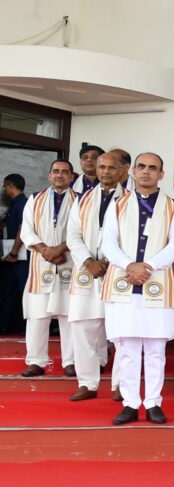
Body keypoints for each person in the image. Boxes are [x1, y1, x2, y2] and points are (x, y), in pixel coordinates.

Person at [100, 153, 174, 425]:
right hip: (124, 283)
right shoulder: (117, 204)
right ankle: (129, 403)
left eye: (153, 168)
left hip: (157, 281)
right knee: (126, 348)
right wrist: (129, 265)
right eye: (141, 167)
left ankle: (152, 403)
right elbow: (108, 243)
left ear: (161, 174)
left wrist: (147, 266)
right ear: (133, 172)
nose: (146, 172)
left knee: (155, 349)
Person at [65, 151, 127, 400]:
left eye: (111, 168)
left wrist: (110, 262)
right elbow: (73, 235)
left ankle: (121, 384)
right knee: (83, 328)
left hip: (118, 271)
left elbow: (134, 240)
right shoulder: (83, 199)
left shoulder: (132, 200)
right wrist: (89, 261)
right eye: (102, 167)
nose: (105, 172)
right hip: (88, 271)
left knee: (122, 331)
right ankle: (87, 383)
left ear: (123, 171)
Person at [19, 159, 78, 377]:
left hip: (69, 261)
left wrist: (60, 249)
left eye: (65, 172)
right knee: (37, 315)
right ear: (49, 175)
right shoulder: (35, 199)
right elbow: (26, 231)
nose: (60, 175)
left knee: (70, 314)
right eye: (55, 171)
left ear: (72, 176)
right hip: (41, 262)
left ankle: (71, 361)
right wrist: (46, 250)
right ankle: (36, 361)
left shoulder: (81, 200)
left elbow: (83, 233)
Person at [1, 174, 30, 335]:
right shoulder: (13, 205)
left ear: (9, 185)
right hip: (11, 258)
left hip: (20, 258)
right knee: (9, 292)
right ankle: (5, 326)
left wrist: (13, 252)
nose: (4, 190)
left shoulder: (23, 204)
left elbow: (22, 229)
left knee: (24, 291)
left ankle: (27, 328)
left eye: (5, 186)